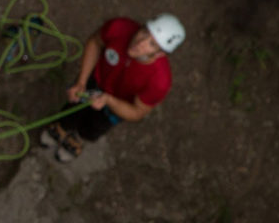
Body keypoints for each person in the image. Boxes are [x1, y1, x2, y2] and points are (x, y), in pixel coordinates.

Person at [40, 14, 184, 163]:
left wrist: (109, 101)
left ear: (160, 53)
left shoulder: (159, 81)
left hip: (118, 105)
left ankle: (78, 138)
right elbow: (95, 42)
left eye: (152, 44)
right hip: (96, 80)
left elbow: (137, 112)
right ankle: (63, 125)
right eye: (145, 32)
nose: (140, 42)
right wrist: (82, 81)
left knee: (95, 125)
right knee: (74, 105)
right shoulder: (119, 28)